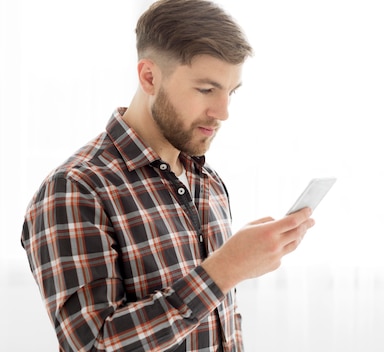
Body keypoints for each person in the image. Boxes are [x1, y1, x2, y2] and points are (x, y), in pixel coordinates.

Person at [20, 0, 315, 351]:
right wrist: (224, 270)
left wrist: (229, 270)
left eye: (230, 92)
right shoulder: (76, 189)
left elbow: (218, 324)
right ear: (149, 77)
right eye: (206, 89)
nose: (223, 112)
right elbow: (92, 345)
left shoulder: (209, 184)